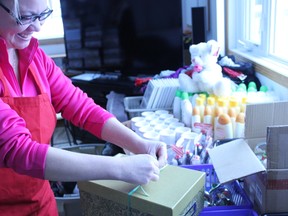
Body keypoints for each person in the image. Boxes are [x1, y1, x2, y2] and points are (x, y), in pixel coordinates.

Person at [0, 0, 167, 215]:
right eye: (25, 17)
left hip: (40, 202)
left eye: (42, 15)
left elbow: (81, 107)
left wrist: (138, 143)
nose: (38, 27)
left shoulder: (35, 57)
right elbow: (20, 151)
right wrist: (120, 168)